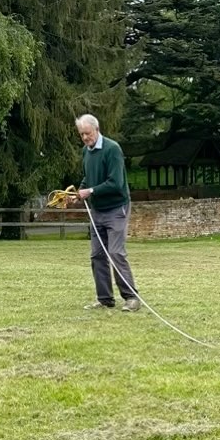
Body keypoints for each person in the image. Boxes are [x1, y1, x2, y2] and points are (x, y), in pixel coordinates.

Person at [70, 114, 141, 312]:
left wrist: (90, 191)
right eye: (81, 134)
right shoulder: (86, 151)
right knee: (97, 255)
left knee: (116, 252)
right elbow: (88, 178)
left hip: (116, 208)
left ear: (97, 129)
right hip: (97, 211)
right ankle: (105, 299)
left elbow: (116, 183)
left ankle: (131, 298)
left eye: (88, 133)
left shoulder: (112, 149)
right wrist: (79, 194)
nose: (85, 138)